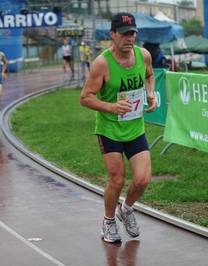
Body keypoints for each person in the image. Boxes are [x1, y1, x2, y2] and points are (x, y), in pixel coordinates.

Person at [79, 12, 157, 243]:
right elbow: (85, 98)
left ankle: (126, 209)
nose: (129, 38)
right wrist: (112, 107)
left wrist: (151, 93)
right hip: (109, 130)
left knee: (142, 180)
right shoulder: (102, 63)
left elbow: (150, 76)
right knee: (117, 180)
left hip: (135, 128)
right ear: (112, 35)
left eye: (132, 33)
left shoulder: (143, 55)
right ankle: (109, 221)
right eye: (124, 34)